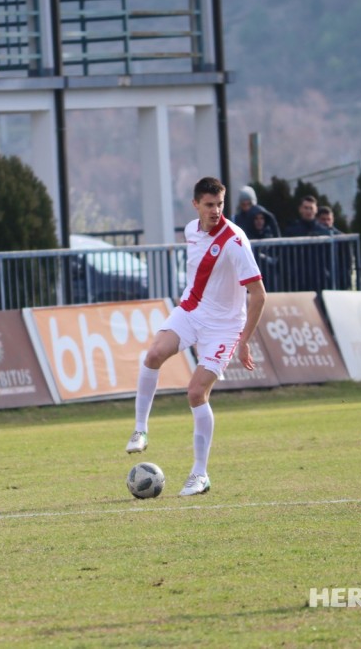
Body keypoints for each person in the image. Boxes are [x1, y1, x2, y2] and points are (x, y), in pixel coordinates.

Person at [125, 177, 267, 496]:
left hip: (224, 327)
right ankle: (140, 431)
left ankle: (200, 475)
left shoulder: (235, 241)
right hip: (191, 311)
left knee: (195, 392)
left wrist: (244, 339)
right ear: (195, 205)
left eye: (219, 204)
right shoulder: (191, 230)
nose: (216, 211)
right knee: (153, 355)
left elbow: (259, 295)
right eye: (209, 205)